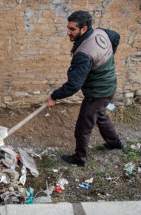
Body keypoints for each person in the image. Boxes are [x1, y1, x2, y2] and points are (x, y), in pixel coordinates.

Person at [46, 10, 124, 167]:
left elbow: (73, 85)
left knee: (83, 127)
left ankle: (79, 158)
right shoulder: (100, 32)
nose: (68, 32)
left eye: (72, 29)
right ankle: (115, 143)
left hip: (98, 93)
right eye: (68, 28)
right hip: (109, 86)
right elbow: (115, 36)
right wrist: (104, 61)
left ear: (84, 29)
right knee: (101, 115)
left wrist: (54, 96)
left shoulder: (83, 54)